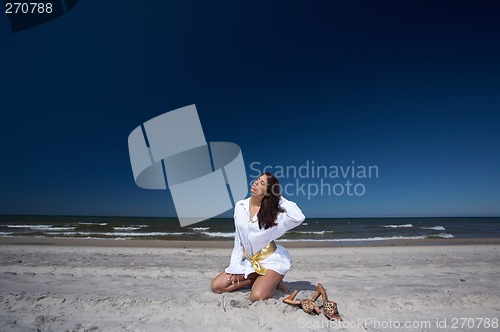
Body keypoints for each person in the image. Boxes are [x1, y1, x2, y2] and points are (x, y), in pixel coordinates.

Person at [211, 172, 305, 301]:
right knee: (217, 286)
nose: (256, 182)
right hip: (250, 261)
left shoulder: (275, 213)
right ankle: (260, 278)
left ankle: (274, 278)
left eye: (262, 183)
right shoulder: (240, 206)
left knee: (257, 296)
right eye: (257, 179)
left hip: (271, 260)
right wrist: (235, 265)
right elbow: (239, 240)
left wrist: (278, 197)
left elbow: (299, 217)